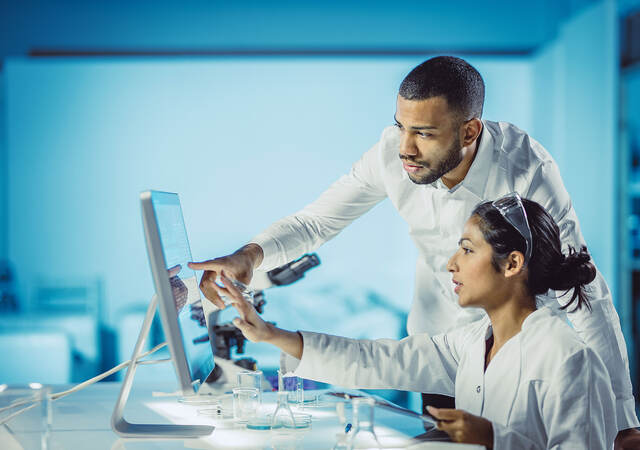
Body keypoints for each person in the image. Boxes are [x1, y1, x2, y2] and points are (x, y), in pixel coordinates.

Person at [189, 56, 640, 446]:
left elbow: (585, 290)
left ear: (470, 131)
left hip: (523, 353)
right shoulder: (393, 154)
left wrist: (621, 421)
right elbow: (315, 222)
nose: (405, 147)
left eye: (423, 133)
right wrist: (251, 257)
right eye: (400, 126)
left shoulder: (526, 171)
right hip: (449, 346)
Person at [215, 194, 618, 448]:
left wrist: (496, 440)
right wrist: (269, 334)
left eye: (466, 249)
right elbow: (378, 360)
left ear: (512, 263)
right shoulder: (472, 343)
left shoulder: (568, 359)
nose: (451, 264)